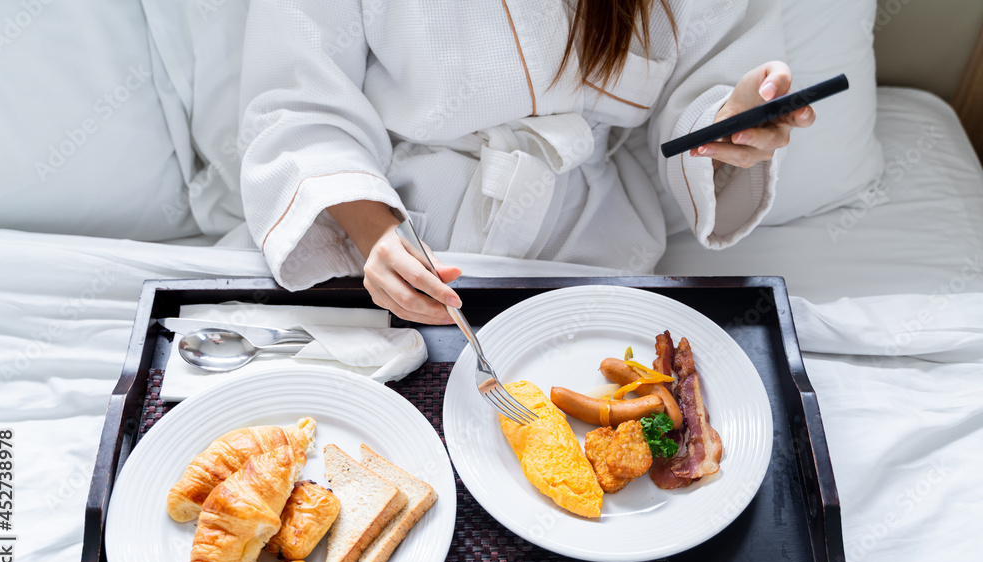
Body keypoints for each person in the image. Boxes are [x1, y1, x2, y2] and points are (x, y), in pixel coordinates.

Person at [239, 0, 814, 324]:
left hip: (593, 247)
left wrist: (732, 118)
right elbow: (297, 102)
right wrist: (378, 237)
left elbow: (704, 92)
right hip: (407, 236)